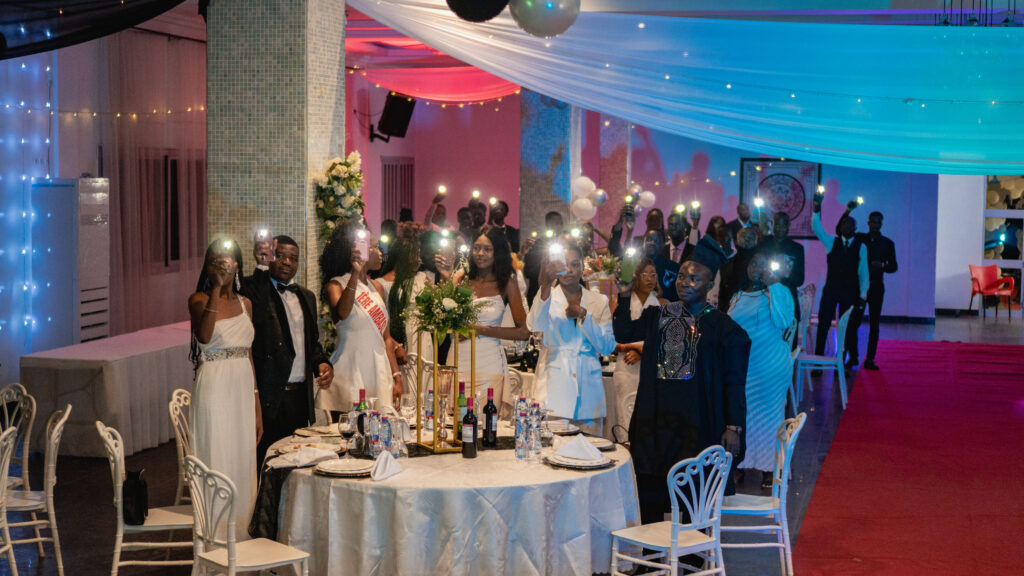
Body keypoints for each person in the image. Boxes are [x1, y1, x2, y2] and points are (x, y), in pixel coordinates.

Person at [613, 242, 750, 525]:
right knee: (651, 496)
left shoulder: (725, 329)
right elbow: (624, 332)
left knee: (694, 500)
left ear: (710, 285)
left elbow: (735, 381)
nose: (685, 282)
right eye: (681, 276)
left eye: (694, 278)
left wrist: (733, 427)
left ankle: (694, 552)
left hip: (698, 427)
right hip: (657, 425)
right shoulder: (660, 315)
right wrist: (624, 293)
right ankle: (650, 552)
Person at [187, 238, 260, 536]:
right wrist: (216, 289)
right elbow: (204, 337)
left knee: (242, 458)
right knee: (217, 455)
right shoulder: (198, 300)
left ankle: (241, 534)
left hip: (242, 388)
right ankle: (214, 535)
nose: (221, 265)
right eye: (215, 261)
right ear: (208, 267)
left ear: (237, 266)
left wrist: (256, 405)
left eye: (226, 260)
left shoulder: (246, 304)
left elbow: (249, 354)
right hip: (214, 388)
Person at [241, 236, 333, 466]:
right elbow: (257, 315)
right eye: (280, 256)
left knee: (296, 461)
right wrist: (261, 267)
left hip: (299, 397)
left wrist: (322, 363)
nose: (287, 262)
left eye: (293, 258)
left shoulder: (307, 296)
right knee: (266, 462)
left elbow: (311, 343)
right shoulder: (253, 290)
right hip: (270, 396)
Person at [527, 243, 616, 434]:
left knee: (591, 448)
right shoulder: (547, 296)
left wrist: (585, 317)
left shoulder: (598, 301)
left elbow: (607, 347)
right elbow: (534, 326)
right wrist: (545, 285)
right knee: (553, 448)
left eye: (575, 264)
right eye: (564, 264)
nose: (569, 270)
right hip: (554, 392)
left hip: (589, 395)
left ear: (583, 267)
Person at [444, 226, 531, 412]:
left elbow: (524, 332)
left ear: (497, 252)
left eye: (487, 249)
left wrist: (479, 329)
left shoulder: (507, 283)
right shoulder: (460, 279)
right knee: (455, 419)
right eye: (476, 248)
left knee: (486, 419)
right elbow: (445, 318)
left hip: (489, 361)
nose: (480, 254)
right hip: (459, 357)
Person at [319, 223, 403, 413]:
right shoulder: (336, 285)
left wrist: (397, 376)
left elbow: (386, 338)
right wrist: (356, 272)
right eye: (374, 247)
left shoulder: (377, 287)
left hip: (378, 370)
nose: (380, 253)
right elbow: (342, 314)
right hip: (350, 370)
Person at [728, 253, 795, 489]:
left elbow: (784, 321)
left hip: (770, 366)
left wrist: (773, 285)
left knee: (769, 418)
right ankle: (741, 464)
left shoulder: (780, 291)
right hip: (744, 365)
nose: (756, 267)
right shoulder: (738, 295)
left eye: (762, 264)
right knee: (743, 416)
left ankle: (771, 468)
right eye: (753, 263)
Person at [812, 198, 868, 368]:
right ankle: (818, 362)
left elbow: (863, 272)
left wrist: (863, 295)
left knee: (846, 328)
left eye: (850, 225)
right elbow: (817, 228)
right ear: (840, 227)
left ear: (855, 229)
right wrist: (816, 209)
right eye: (844, 224)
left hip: (850, 292)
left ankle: (840, 364)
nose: (846, 226)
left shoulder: (861, 247)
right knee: (823, 325)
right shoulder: (831, 242)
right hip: (831, 290)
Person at [611, 257, 662, 433]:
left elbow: (660, 340)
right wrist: (631, 348)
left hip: (650, 366)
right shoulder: (621, 301)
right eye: (644, 275)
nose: (649, 279)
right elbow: (614, 337)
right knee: (625, 418)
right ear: (634, 277)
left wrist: (642, 352)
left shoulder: (661, 304)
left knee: (647, 421)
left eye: (653, 274)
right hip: (626, 366)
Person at [858, 211, 897, 370]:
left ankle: (870, 358)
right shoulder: (860, 239)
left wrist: (882, 266)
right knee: (854, 321)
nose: (875, 225)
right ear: (868, 223)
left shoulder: (887, 243)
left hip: (876, 286)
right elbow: (840, 232)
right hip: (860, 286)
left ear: (881, 224)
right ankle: (852, 356)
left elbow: (894, 266)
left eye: (878, 222)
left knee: (874, 323)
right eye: (872, 222)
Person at [757, 211, 805, 323]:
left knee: (789, 331)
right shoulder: (764, 245)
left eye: (783, 225)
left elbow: (800, 279)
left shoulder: (796, 248)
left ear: (788, 226)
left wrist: (782, 275)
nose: (780, 228)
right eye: (777, 224)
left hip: (787, 298)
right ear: (772, 225)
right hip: (766, 299)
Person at [523, 211, 565, 304]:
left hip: (562, 295)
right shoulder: (538, 245)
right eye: (555, 223)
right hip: (538, 293)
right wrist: (545, 267)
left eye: (560, 223)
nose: (558, 226)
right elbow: (528, 272)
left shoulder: (568, 245)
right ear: (547, 225)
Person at [718, 227, 759, 313]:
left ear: (756, 241)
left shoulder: (761, 263)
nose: (747, 239)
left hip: (754, 308)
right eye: (744, 235)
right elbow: (723, 290)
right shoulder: (728, 261)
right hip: (730, 308)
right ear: (737, 240)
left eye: (751, 236)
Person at [642, 229, 682, 302]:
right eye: (648, 239)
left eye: (656, 241)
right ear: (643, 243)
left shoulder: (674, 268)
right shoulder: (634, 266)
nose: (651, 243)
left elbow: (677, 299)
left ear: (663, 244)